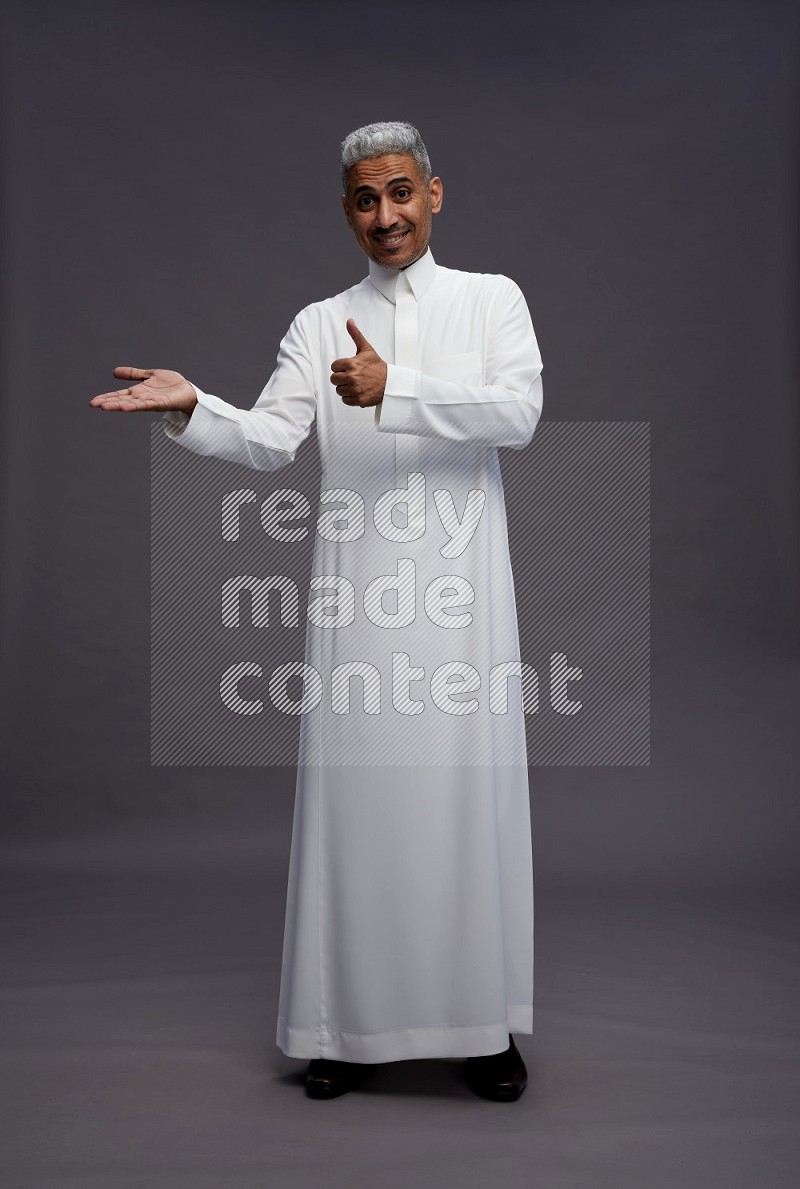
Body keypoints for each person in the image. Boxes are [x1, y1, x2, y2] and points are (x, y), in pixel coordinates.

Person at [90, 121, 543, 1102]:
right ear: (347, 213)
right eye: (364, 201)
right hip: (360, 605)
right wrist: (190, 405)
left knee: (464, 808)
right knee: (358, 811)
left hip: (461, 607)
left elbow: (517, 413)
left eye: (399, 193)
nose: (384, 215)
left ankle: (481, 1031)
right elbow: (268, 441)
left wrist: (399, 387)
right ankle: (342, 1026)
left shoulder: (490, 301)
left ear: (433, 193)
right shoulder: (317, 321)